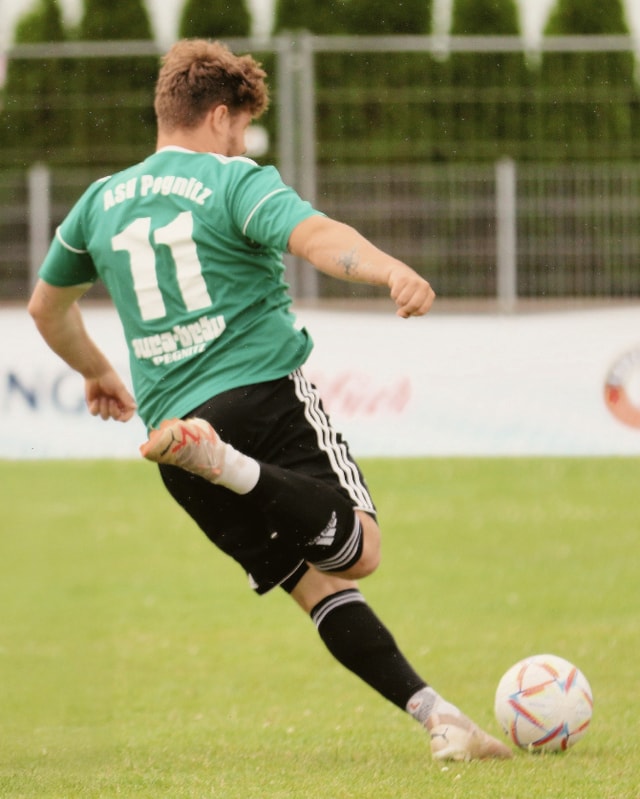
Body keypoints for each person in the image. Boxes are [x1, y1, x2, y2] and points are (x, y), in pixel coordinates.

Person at [28, 38, 511, 763]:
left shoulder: (100, 201)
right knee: (361, 549)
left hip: (173, 436)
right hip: (260, 397)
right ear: (220, 116)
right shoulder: (232, 180)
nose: (245, 139)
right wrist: (387, 270)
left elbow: (46, 308)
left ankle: (439, 716)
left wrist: (98, 371)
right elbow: (315, 237)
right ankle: (229, 462)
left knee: (311, 585)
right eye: (243, 124)